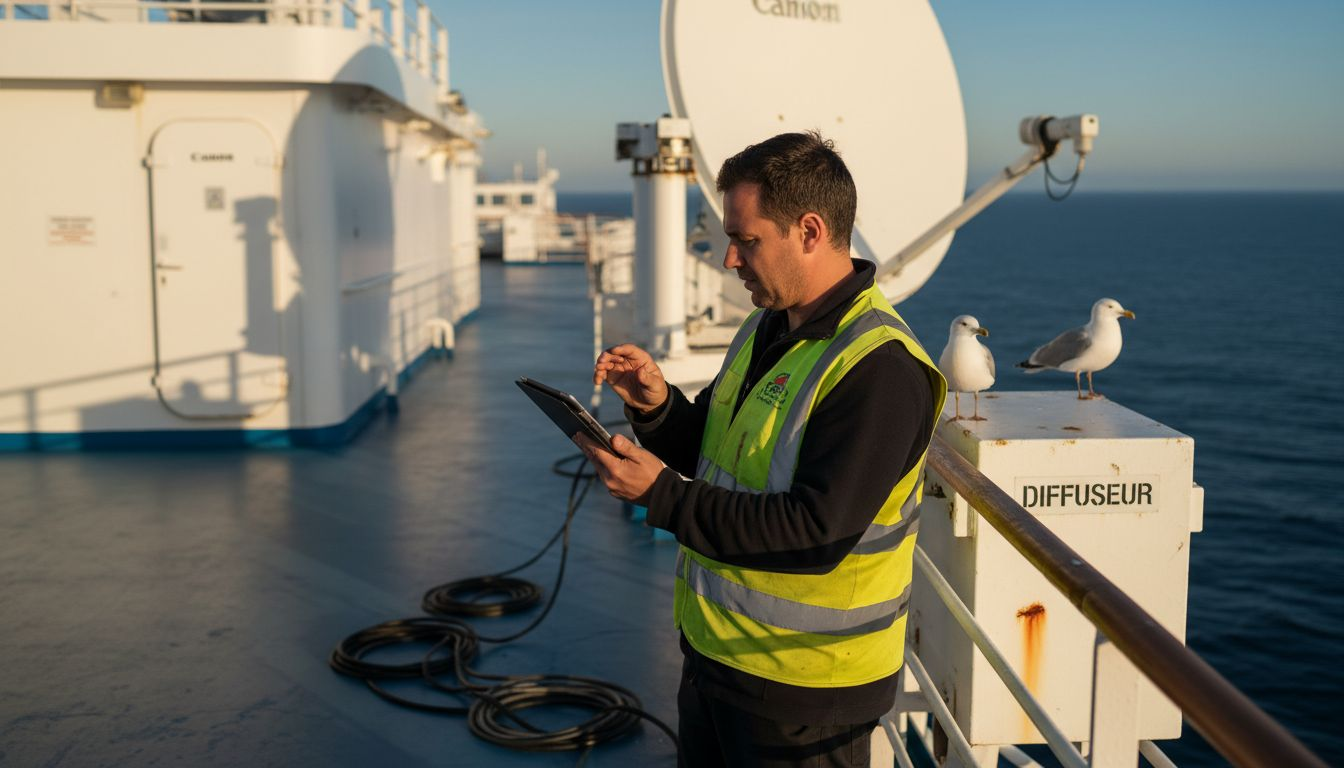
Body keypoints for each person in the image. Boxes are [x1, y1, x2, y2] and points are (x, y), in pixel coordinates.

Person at [574, 131, 946, 768]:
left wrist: (661, 497)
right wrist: (656, 406)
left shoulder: (880, 370)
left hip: (805, 695)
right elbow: (716, 454)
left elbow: (815, 532)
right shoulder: (767, 323)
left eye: (747, 240)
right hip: (718, 661)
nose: (729, 260)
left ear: (809, 231)